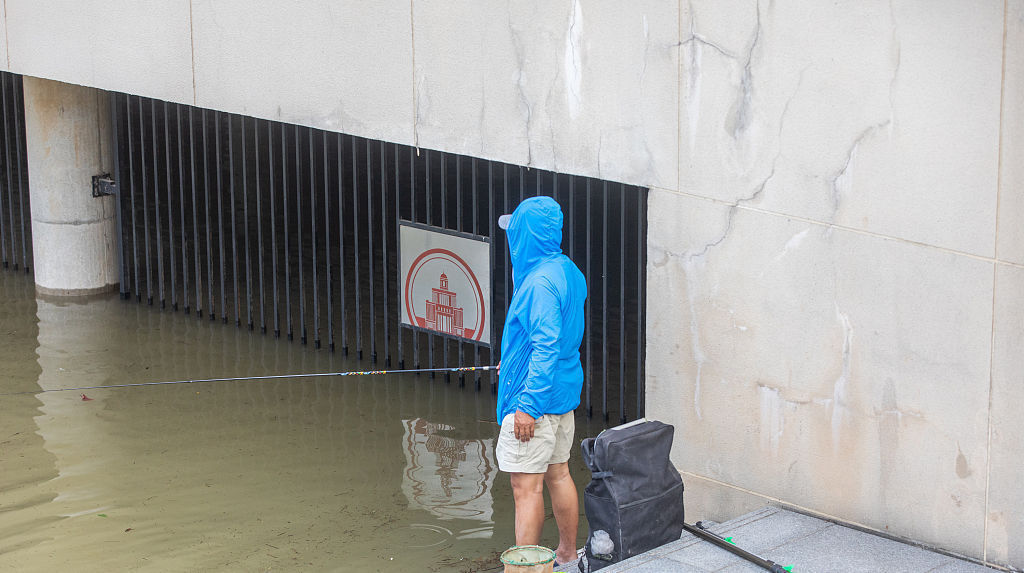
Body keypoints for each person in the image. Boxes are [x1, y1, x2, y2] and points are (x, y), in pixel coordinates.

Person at [495, 196, 587, 570]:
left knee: (526, 488)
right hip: (562, 395)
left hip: (536, 401)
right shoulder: (568, 270)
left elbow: (546, 345)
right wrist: (513, 361)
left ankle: (526, 569)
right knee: (559, 473)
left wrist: (527, 406)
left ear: (525, 236)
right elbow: (558, 338)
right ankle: (567, 554)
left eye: (515, 230)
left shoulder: (538, 284)